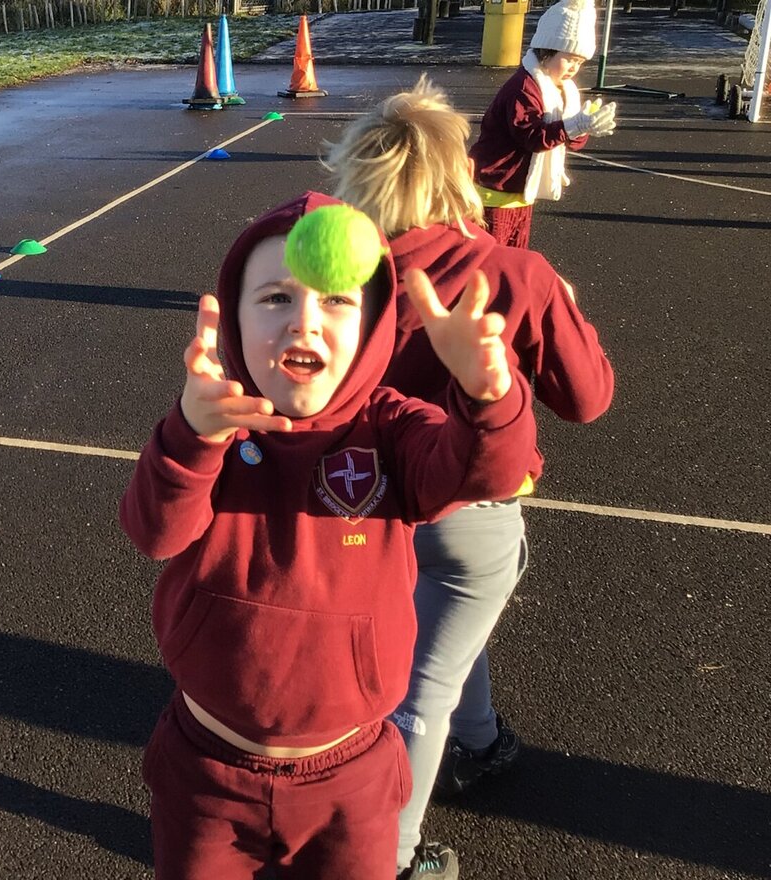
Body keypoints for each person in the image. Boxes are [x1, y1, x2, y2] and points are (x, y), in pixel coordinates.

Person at [119, 192, 537, 879]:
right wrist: (190, 435)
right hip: (207, 770)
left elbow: (484, 472)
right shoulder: (215, 420)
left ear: (373, 322)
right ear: (234, 316)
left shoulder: (393, 426)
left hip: (352, 777)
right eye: (275, 298)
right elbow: (157, 531)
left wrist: (489, 396)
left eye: (336, 301)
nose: (303, 321)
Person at [327, 78, 615, 879]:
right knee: (423, 689)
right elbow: (587, 398)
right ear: (456, 173)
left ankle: (481, 738)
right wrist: (567, 312)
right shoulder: (510, 272)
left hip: (360, 499)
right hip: (468, 503)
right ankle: (391, 858)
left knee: (446, 628)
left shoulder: (340, 273)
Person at [469, 0, 618, 248]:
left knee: (515, 259)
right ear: (547, 50)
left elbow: (568, 139)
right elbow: (533, 136)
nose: (573, 68)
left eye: (580, 62)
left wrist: (585, 127)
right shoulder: (523, 88)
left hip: (521, 192)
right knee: (491, 258)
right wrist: (575, 124)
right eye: (569, 59)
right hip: (495, 188)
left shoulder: (562, 89)